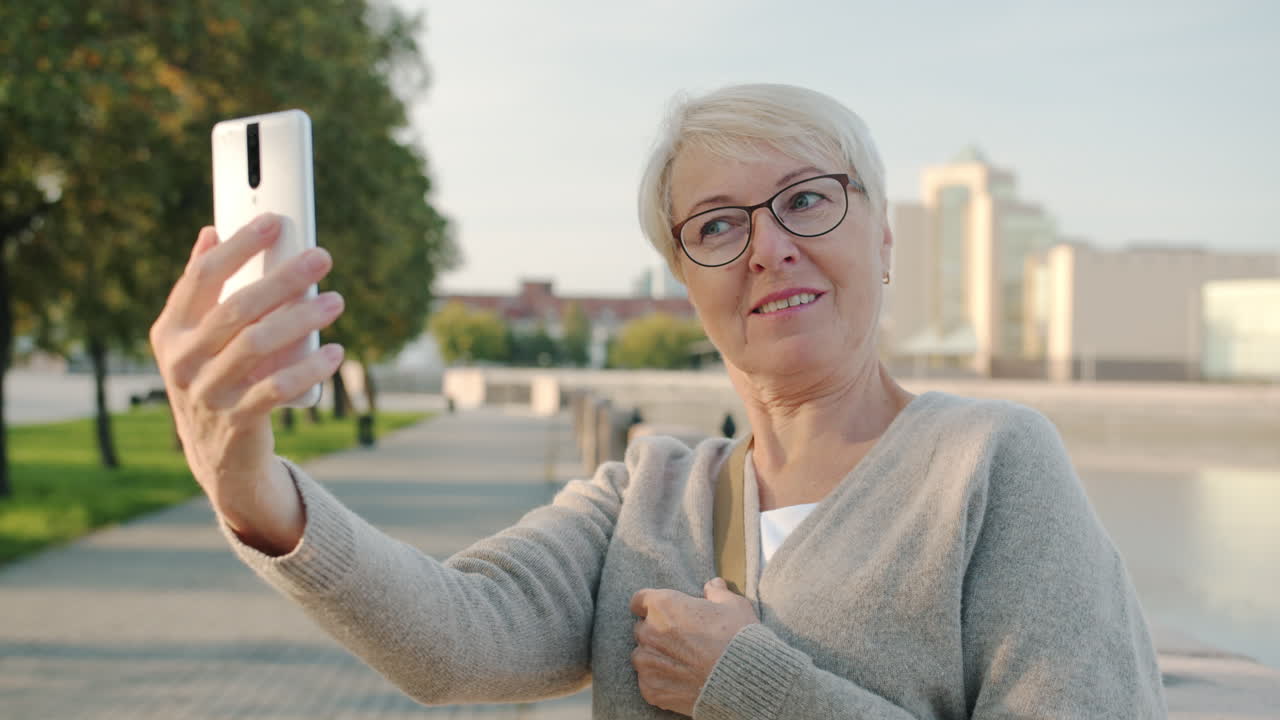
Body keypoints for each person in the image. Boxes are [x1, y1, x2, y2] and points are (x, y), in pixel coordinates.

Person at [148, 83, 1167, 718]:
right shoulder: (644, 494)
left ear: (883, 236)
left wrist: (751, 687)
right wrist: (247, 486)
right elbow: (450, 639)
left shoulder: (990, 464)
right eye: (717, 226)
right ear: (684, 282)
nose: (769, 247)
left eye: (806, 200)